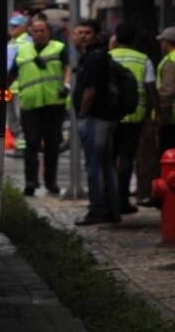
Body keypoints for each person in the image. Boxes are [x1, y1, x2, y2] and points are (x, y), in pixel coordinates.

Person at [9, 15, 68, 196]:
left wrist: (66, 85)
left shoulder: (59, 48)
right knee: (31, 145)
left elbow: (69, 68)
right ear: (31, 32)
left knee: (52, 146)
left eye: (43, 30)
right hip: (30, 106)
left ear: (48, 32)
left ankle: (51, 183)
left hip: (53, 105)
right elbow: (12, 74)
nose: (40, 33)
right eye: (36, 30)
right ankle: (30, 182)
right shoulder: (23, 51)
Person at [108, 23, 160, 214]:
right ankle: (123, 200)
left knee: (110, 158)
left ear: (116, 37)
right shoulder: (143, 59)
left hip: (110, 115)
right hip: (134, 115)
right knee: (127, 157)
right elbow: (151, 89)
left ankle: (109, 199)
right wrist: (156, 114)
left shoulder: (108, 57)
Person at [72, 19, 120, 225]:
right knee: (105, 164)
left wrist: (82, 113)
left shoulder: (94, 58)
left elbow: (90, 91)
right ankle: (111, 209)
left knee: (94, 165)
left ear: (97, 35)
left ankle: (97, 209)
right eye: (79, 32)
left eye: (87, 33)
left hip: (95, 119)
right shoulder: (96, 56)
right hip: (103, 118)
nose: (82, 36)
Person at [6, 13, 32, 155]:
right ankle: (19, 144)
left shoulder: (27, 42)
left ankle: (23, 147)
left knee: (20, 118)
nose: (12, 28)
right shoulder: (12, 42)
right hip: (9, 87)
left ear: (24, 27)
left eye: (16, 26)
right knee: (11, 119)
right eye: (11, 25)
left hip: (20, 87)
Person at [158, 26, 175, 156]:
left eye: (162, 41)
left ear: (167, 42)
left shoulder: (170, 60)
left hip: (171, 116)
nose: (161, 44)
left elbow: (168, 91)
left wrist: (160, 112)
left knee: (168, 152)